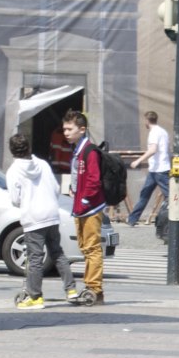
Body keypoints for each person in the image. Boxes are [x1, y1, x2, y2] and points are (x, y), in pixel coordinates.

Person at [6, 134, 79, 310]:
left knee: (35, 258)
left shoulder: (13, 171)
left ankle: (35, 296)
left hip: (33, 217)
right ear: (29, 148)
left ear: (12, 151)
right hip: (52, 214)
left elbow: (15, 199)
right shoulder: (43, 164)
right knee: (57, 253)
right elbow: (55, 188)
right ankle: (71, 290)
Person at [62, 109, 105, 304]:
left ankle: (94, 288)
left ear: (82, 129)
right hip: (80, 206)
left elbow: (94, 180)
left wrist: (85, 200)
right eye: (65, 129)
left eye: (70, 129)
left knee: (92, 247)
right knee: (85, 247)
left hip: (90, 207)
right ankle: (90, 286)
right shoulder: (78, 150)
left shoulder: (89, 151)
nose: (66, 133)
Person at [126, 111, 170, 226]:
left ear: (146, 120)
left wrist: (138, 161)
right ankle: (132, 219)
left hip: (159, 170)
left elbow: (153, 150)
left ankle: (172, 219)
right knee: (145, 194)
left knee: (169, 196)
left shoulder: (154, 133)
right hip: (157, 169)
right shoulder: (163, 132)